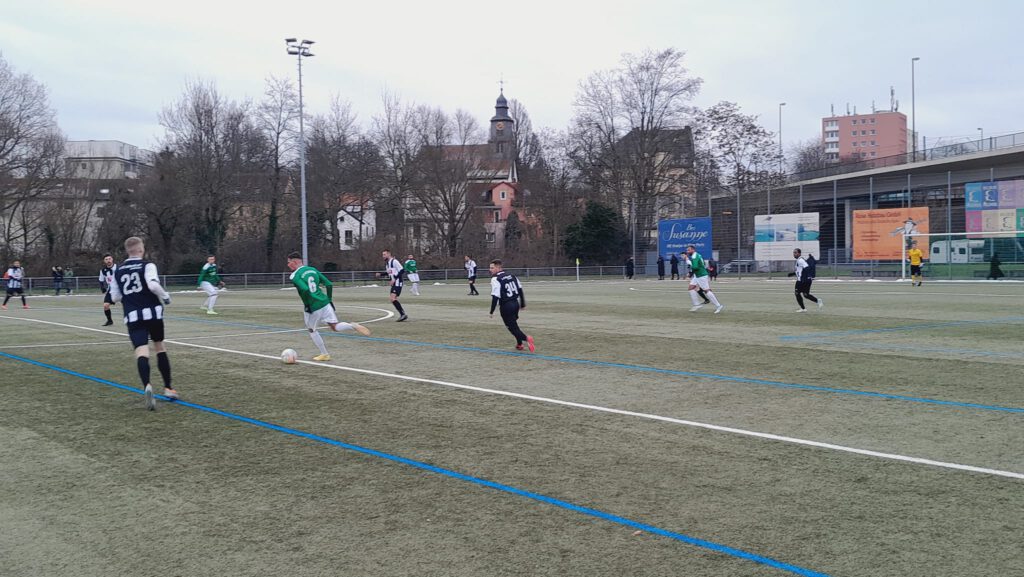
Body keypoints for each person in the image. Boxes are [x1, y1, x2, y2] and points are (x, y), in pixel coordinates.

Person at [106, 237, 177, 410]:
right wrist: (166, 297)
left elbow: (115, 297)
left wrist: (130, 296)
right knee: (159, 347)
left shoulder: (118, 270)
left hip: (133, 316)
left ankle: (147, 385)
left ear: (127, 251)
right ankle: (168, 388)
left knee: (141, 351)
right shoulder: (148, 265)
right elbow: (153, 285)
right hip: (153, 313)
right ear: (140, 249)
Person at [287, 252, 371, 362]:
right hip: (325, 302)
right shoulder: (313, 270)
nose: (288, 265)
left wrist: (307, 304)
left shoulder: (294, 275)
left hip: (313, 306)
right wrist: (330, 300)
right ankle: (352, 326)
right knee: (334, 326)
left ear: (294, 262)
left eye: (289, 262)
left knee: (312, 330)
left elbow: (305, 289)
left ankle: (324, 354)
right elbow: (329, 284)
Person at [489, 259, 535, 352]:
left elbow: (495, 296)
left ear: (498, 267)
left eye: (492, 268)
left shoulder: (495, 279)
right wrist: (522, 303)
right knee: (514, 325)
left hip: (506, 306)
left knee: (512, 328)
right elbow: (520, 289)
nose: (490, 270)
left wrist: (491, 311)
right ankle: (519, 344)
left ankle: (526, 338)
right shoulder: (512, 276)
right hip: (515, 304)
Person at [685, 245, 723, 314]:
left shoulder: (694, 256)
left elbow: (695, 267)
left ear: (693, 250)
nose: (687, 251)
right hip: (697, 275)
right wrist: (687, 260)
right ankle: (697, 305)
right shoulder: (696, 255)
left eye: (689, 250)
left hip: (701, 276)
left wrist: (690, 273)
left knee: (707, 291)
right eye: (687, 250)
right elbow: (697, 265)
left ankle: (718, 305)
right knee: (691, 288)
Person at [788, 248, 823, 312]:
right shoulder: (799, 260)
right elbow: (800, 271)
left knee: (797, 293)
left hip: (802, 280)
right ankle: (818, 301)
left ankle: (803, 308)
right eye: (793, 253)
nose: (794, 254)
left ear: (799, 253)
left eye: (795, 252)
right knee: (806, 295)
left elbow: (807, 268)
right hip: (805, 280)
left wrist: (807, 277)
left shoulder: (800, 260)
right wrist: (792, 274)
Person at [383, 250, 409, 321]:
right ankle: (402, 314)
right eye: (383, 255)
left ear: (389, 254)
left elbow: (402, 270)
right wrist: (380, 274)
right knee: (393, 299)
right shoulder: (387, 264)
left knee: (393, 298)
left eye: (384, 254)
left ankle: (403, 314)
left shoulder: (394, 261)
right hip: (394, 283)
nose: (383, 256)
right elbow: (389, 272)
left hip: (398, 282)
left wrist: (394, 279)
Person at [99, 254, 116, 326]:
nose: (108, 260)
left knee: (128, 304)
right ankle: (109, 321)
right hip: (111, 289)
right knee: (106, 305)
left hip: (121, 288)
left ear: (112, 259)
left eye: (109, 259)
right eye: (106, 259)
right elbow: (101, 280)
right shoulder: (103, 270)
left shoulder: (118, 267)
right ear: (104, 261)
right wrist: (102, 288)